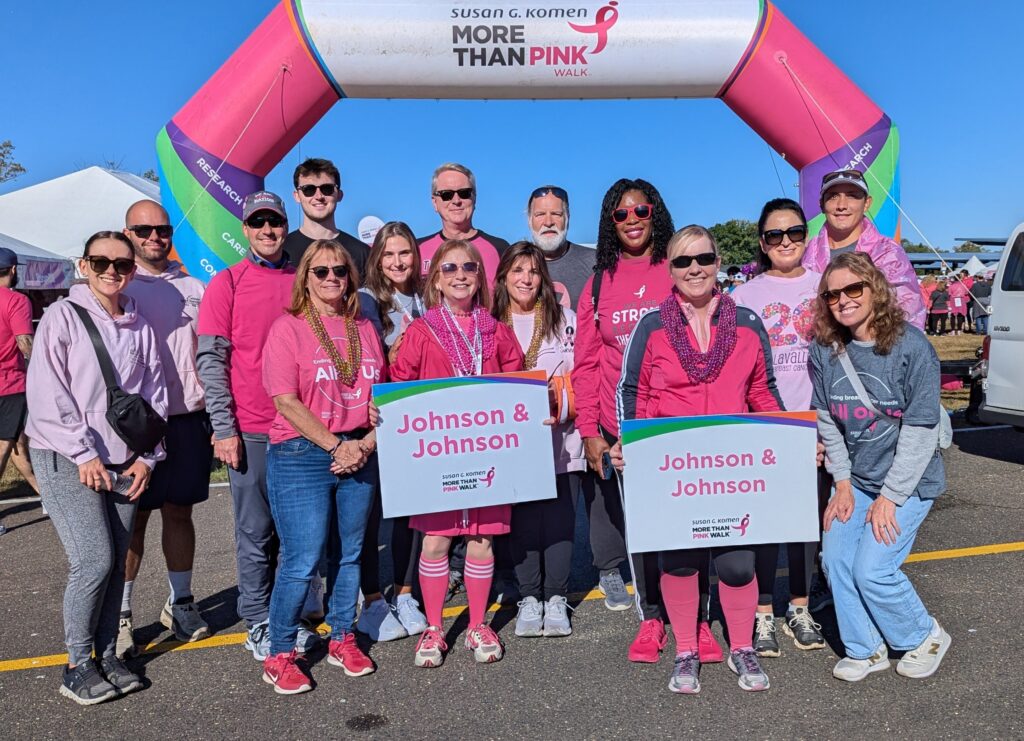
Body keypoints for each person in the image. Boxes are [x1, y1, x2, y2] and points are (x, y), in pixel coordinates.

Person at [615, 225, 782, 694]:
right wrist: (630, 443)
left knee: (737, 566)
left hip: (732, 471)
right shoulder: (651, 326)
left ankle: (742, 647)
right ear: (669, 269)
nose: (695, 269)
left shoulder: (747, 323)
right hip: (674, 469)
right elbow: (634, 392)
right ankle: (686, 649)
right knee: (681, 563)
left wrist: (792, 441)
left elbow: (762, 391)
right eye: (683, 262)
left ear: (718, 262)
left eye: (704, 259)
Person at [27, 231, 167, 704]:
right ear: (83, 265)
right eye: (101, 261)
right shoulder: (62, 317)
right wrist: (84, 454)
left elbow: (155, 396)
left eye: (122, 264)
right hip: (65, 455)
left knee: (117, 564)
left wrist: (147, 457)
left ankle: (107, 654)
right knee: (94, 560)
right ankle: (76, 664)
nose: (112, 270)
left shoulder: (139, 324)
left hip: (125, 458)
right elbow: (47, 394)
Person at [810, 251, 951, 682]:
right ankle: (865, 648)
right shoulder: (825, 349)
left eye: (854, 289)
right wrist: (843, 483)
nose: (844, 301)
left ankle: (924, 636)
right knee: (835, 560)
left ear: (876, 289)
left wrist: (890, 497)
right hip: (858, 479)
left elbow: (921, 429)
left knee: (872, 569)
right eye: (833, 295)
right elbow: (826, 421)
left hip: (909, 482)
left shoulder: (911, 347)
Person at [390, 239, 524, 667]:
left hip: (485, 454)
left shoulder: (496, 330)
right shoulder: (422, 330)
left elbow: (518, 382)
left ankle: (477, 624)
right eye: (450, 268)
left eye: (469, 267)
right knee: (436, 541)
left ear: (481, 277)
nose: (461, 274)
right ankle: (433, 628)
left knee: (482, 540)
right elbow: (400, 386)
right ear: (436, 280)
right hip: (439, 455)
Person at [260, 240, 385, 694]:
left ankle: (342, 637)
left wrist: (365, 441)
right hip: (302, 454)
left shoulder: (364, 327)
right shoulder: (287, 328)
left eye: (340, 271)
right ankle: (279, 652)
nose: (332, 277)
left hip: (359, 452)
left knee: (349, 553)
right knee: (302, 559)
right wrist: (337, 447)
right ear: (306, 278)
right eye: (321, 271)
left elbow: (380, 397)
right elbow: (285, 402)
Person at [197, 191, 318, 661]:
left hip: (304, 427)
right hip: (251, 428)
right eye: (258, 223)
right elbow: (212, 360)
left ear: (286, 226)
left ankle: (289, 614)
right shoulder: (227, 282)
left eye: (274, 222)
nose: (267, 230)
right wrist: (223, 427)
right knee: (255, 532)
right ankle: (258, 620)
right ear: (245, 230)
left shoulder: (306, 279)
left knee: (300, 533)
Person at [571, 179, 685, 659]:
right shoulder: (599, 282)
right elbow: (587, 363)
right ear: (609, 221)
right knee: (640, 528)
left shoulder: (679, 268)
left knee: (682, 526)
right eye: (621, 213)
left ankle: (693, 616)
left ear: (655, 211)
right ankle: (652, 616)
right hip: (623, 431)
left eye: (641, 209)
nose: (632, 219)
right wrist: (590, 432)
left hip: (678, 424)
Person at [731, 199, 826, 657]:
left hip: (815, 426)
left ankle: (800, 605)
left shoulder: (826, 286)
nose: (785, 241)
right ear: (762, 243)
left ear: (806, 235)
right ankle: (764, 611)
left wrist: (828, 430)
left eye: (794, 232)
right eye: (774, 235)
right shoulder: (743, 296)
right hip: (763, 426)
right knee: (766, 525)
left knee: (804, 526)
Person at [118, 200, 211, 658]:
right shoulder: (118, 284)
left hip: (188, 418)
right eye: (144, 230)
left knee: (180, 511)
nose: (155, 237)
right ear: (127, 232)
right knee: (132, 520)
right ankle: (120, 613)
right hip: (136, 424)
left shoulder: (195, 286)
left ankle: (182, 602)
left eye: (162, 229)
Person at [493, 242, 583, 637]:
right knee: (525, 523)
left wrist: (557, 399)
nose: (526, 278)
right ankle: (530, 596)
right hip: (515, 448)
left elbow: (584, 374)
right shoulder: (491, 322)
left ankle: (556, 597)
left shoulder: (565, 318)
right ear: (503, 278)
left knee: (560, 522)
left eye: (532, 271)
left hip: (563, 438)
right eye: (517, 271)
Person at [354, 221, 429, 641]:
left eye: (405, 253)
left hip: (420, 424)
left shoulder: (427, 295)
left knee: (409, 515)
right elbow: (362, 356)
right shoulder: (367, 301)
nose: (398, 262)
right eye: (389, 254)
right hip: (381, 419)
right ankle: (372, 599)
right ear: (377, 259)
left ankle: (404, 592)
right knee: (368, 516)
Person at [802, 169, 926, 330]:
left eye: (852, 195)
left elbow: (909, 313)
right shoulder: (805, 255)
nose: (841, 205)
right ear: (821, 205)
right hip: (819, 350)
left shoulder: (888, 253)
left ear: (867, 203)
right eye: (833, 196)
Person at [0, 245, 39, 536]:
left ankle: (46, 495)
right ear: (13, 270)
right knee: (4, 447)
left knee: (17, 445)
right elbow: (25, 341)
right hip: (9, 384)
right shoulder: (15, 301)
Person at [417, 163, 509, 282]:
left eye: (464, 193)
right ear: (435, 203)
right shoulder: (417, 251)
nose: (456, 200)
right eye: (447, 195)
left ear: (474, 198)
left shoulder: (500, 249)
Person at [281, 158, 369, 279]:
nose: (319, 196)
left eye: (327, 189)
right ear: (297, 196)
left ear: (339, 195)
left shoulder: (361, 253)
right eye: (308, 190)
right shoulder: (281, 251)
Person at [526, 185, 596, 309]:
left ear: (567, 218)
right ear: (529, 220)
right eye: (540, 214)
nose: (548, 222)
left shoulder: (595, 262)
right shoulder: (515, 266)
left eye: (556, 214)